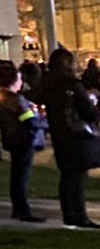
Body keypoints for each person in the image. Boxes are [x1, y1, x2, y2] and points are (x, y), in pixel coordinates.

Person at [37, 47, 98, 229]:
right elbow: (89, 113)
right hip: (77, 134)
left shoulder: (47, 84)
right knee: (78, 178)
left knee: (67, 176)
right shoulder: (71, 84)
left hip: (59, 134)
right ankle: (80, 216)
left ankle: (69, 214)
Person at [0, 62, 46, 223]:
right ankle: (22, 210)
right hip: (23, 140)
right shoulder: (15, 99)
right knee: (21, 176)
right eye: (19, 78)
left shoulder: (1, 98)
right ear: (13, 80)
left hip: (12, 139)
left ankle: (18, 208)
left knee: (17, 175)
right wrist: (39, 119)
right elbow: (28, 121)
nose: (21, 82)